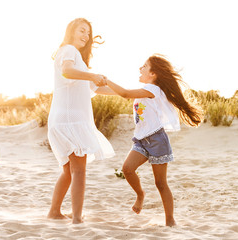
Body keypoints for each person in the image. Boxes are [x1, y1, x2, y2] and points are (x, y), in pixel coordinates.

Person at [104, 54, 203, 227]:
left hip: (157, 140)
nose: (140, 68)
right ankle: (140, 194)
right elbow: (116, 91)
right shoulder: (144, 90)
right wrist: (91, 84)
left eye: (144, 66)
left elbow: (125, 93)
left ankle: (170, 220)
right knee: (127, 169)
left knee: (160, 183)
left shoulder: (153, 90)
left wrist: (106, 79)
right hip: (141, 140)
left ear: (153, 74)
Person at [47, 18, 116, 224]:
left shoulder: (79, 60)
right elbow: (66, 71)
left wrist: (125, 93)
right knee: (79, 170)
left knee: (69, 171)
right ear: (71, 31)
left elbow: (97, 88)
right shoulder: (68, 50)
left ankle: (54, 212)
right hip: (70, 120)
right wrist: (92, 75)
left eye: (88, 33)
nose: (86, 36)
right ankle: (77, 218)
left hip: (65, 119)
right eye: (82, 31)